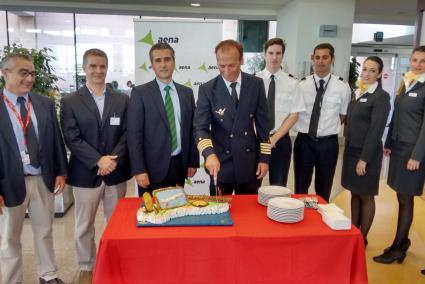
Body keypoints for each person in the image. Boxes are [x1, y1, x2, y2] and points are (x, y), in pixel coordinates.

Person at [60, 48, 131, 284]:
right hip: (84, 174)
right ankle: (86, 266)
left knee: (116, 225)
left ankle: (114, 264)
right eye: (93, 66)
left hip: (115, 173)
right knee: (84, 226)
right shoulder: (70, 101)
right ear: (84, 68)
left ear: (107, 67)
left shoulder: (122, 99)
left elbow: (127, 134)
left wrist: (112, 160)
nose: (98, 71)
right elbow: (72, 137)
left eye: (102, 66)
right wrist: (98, 160)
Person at [0, 53, 67, 284]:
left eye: (32, 73)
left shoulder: (43, 103)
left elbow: (56, 139)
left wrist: (61, 171)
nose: (29, 78)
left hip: (42, 178)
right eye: (23, 72)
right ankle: (12, 280)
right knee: (9, 238)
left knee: (44, 230)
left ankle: (48, 275)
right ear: (5, 73)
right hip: (8, 182)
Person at [193, 39, 271, 195]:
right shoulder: (207, 89)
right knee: (220, 212)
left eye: (232, 65)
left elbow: (263, 126)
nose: (227, 71)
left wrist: (264, 159)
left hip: (249, 163)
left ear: (241, 60)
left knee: (248, 213)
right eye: (222, 66)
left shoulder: (256, 84)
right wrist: (209, 154)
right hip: (220, 162)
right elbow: (200, 128)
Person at [373, 46, 425, 268]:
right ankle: (402, 243)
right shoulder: (409, 82)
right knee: (402, 198)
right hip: (400, 148)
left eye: (423, 61)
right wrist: (389, 142)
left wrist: (417, 155)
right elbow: (397, 113)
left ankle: (397, 248)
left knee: (406, 199)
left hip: (413, 151)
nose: (417, 64)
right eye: (414, 59)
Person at [127, 42, 199, 195]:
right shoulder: (140, 93)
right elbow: (134, 135)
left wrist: (193, 161)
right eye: (158, 60)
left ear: (174, 62)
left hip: (180, 165)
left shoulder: (186, 93)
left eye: (167, 59)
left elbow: (192, 130)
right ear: (152, 65)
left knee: (177, 209)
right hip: (151, 169)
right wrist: (139, 169)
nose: (163, 64)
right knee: (152, 215)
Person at [341, 56, 390, 246]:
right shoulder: (359, 92)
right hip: (352, 150)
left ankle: (363, 238)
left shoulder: (381, 97)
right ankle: (354, 231)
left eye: (372, 70)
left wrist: (364, 159)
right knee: (355, 192)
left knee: (366, 195)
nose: (366, 74)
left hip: (366, 153)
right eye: (365, 69)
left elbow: (375, 131)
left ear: (378, 74)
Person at [293, 43, 351, 202]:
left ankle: (320, 221)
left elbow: (343, 116)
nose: (320, 61)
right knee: (300, 188)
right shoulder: (301, 85)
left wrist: (325, 129)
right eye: (317, 57)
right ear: (312, 59)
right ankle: (299, 219)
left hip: (328, 144)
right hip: (304, 142)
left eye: (325, 57)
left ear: (332, 59)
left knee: (324, 188)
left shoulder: (342, 86)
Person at [256, 38, 305, 187]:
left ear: (282, 56)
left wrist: (274, 139)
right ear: (265, 55)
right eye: (270, 53)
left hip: (281, 141)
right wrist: (263, 139)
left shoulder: (292, 83)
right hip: (257, 140)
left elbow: (294, 114)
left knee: (278, 187)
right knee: (253, 185)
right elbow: (249, 113)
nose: (274, 57)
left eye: (278, 53)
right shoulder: (253, 80)